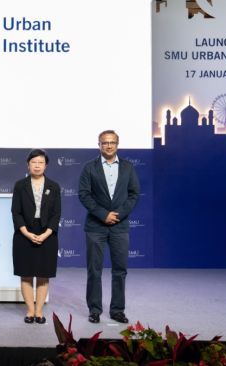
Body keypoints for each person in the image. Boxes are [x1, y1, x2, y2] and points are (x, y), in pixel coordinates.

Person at [78, 130, 140, 324]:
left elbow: (134, 194)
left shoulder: (128, 167)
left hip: (120, 227)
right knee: (94, 270)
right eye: (105, 143)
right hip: (95, 226)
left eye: (112, 142)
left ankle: (117, 310)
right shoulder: (89, 168)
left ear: (118, 144)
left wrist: (118, 215)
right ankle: (94, 309)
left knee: (120, 270)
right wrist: (103, 214)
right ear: (99, 145)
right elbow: (84, 194)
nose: (109, 145)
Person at [11, 149, 61, 324]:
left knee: (43, 274)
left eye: (41, 162)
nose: (37, 165)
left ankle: (39, 311)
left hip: (47, 234)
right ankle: (30, 311)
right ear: (28, 165)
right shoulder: (20, 185)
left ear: (46, 165)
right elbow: (15, 212)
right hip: (24, 233)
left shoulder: (54, 186)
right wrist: (26, 232)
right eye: (34, 162)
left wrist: (46, 234)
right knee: (25, 274)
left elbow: (56, 214)